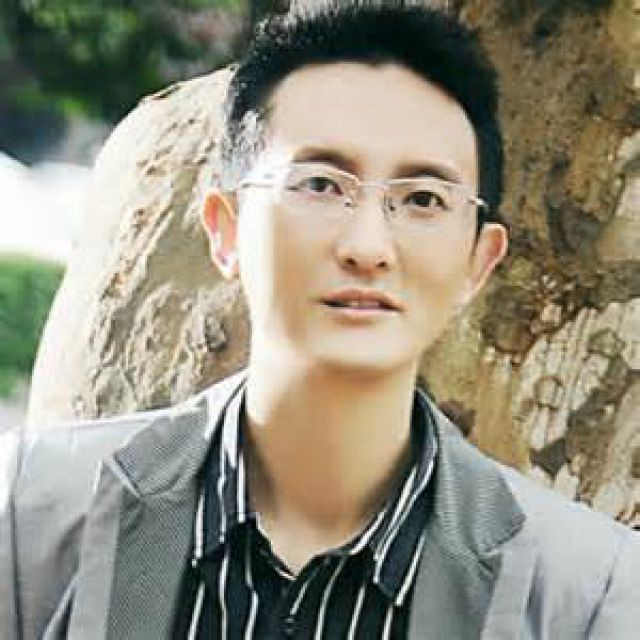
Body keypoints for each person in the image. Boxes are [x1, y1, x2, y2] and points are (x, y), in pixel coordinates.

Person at [2, 2, 639, 639]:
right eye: (320, 184)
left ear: (479, 261)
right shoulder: (31, 513)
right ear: (226, 230)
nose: (367, 246)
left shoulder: (589, 594)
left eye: (422, 198)